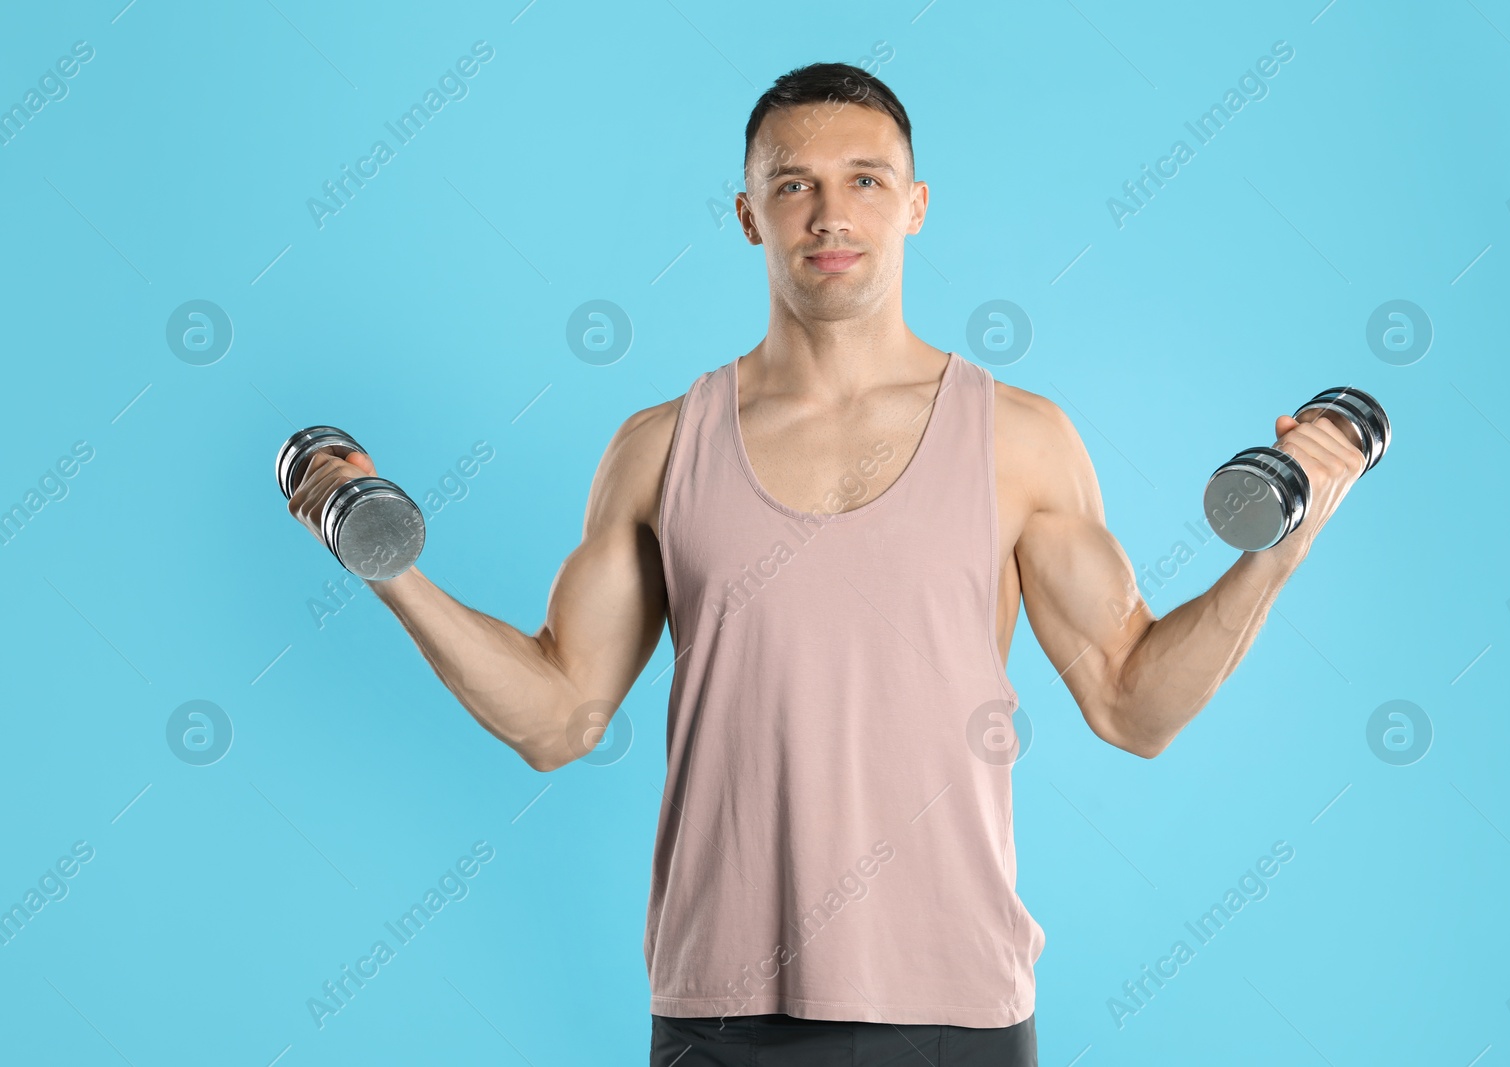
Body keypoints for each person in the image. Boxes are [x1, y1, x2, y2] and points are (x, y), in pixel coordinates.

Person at [285, 62, 1368, 1067]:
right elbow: (558, 719)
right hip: (721, 1011)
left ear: (915, 204)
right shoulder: (661, 446)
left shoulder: (1021, 441)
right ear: (749, 213)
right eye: (792, 185)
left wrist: (1290, 536)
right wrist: (389, 566)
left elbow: (1135, 707)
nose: (830, 213)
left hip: (954, 1008)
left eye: (864, 179)